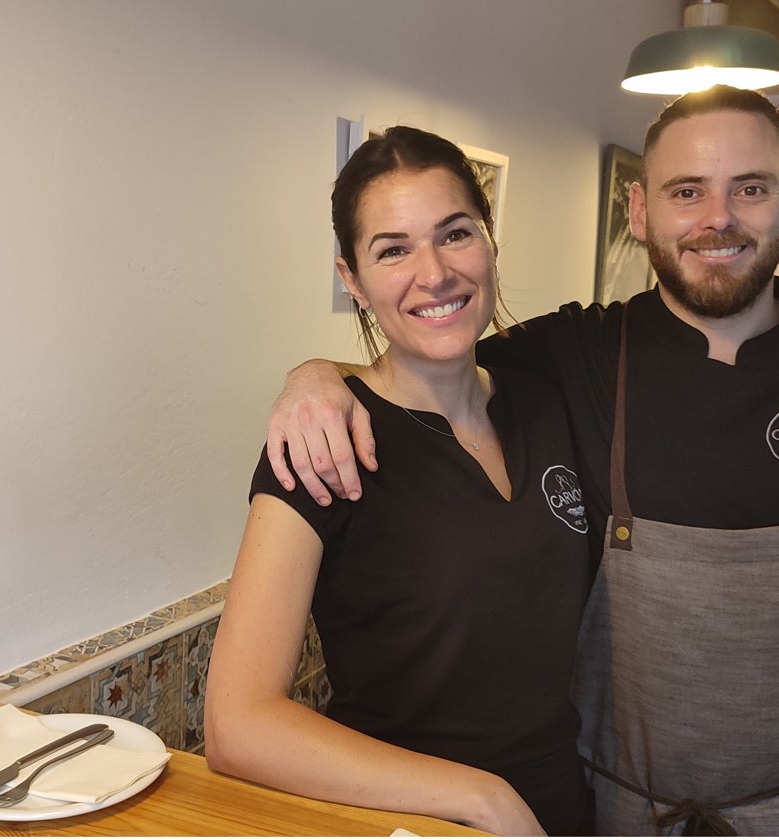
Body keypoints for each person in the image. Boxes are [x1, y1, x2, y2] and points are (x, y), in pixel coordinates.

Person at [262, 87, 779, 836]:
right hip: (618, 813)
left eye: (751, 188)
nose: (718, 218)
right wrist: (315, 375)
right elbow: (419, 355)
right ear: (641, 211)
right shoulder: (567, 358)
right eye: (688, 191)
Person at [204, 125, 593, 837]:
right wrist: (483, 799)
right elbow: (236, 724)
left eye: (454, 234)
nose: (435, 272)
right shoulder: (322, 441)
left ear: (490, 240)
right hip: (411, 824)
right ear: (351, 278)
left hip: (564, 814)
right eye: (393, 249)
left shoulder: (544, 399)